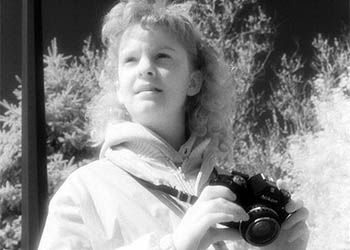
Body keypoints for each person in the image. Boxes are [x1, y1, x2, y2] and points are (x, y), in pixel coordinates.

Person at [38, 0, 309, 250]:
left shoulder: (235, 196)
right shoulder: (84, 190)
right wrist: (175, 246)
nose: (145, 68)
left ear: (194, 81)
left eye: (162, 56)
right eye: (130, 59)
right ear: (119, 87)